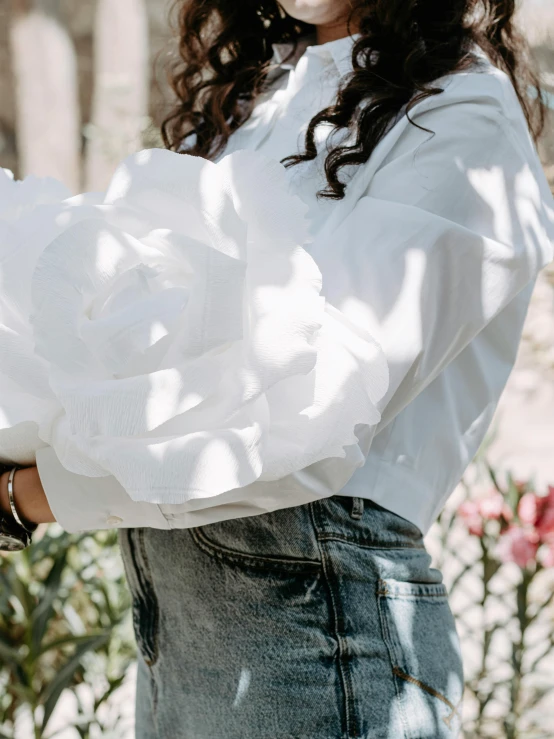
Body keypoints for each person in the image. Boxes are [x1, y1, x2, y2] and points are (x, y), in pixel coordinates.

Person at [1, 0, 553, 736]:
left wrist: (24, 496)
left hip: (316, 644)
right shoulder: (263, 91)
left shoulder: (462, 117)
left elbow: (303, 424)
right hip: (186, 640)